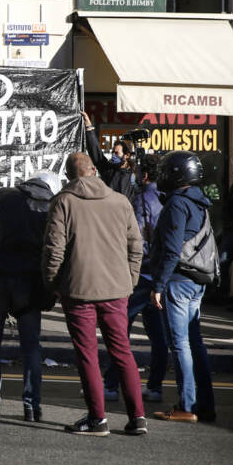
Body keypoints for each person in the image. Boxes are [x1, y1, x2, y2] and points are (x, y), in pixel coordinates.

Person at [42, 152, 147, 436]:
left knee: (87, 354)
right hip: (117, 289)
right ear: (94, 171)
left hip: (79, 290)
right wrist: (130, 280)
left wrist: (52, 283)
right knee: (122, 351)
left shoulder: (63, 201)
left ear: (69, 175)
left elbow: (54, 249)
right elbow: (135, 247)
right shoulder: (120, 201)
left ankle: (98, 419)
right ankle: (138, 417)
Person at [0, 171, 61, 423]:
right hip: (30, 282)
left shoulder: (2, 197)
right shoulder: (53, 205)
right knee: (31, 346)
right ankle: (32, 405)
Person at [151, 151, 217, 424]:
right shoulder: (198, 202)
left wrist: (158, 285)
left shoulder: (177, 203)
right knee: (194, 342)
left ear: (175, 175)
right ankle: (205, 405)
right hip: (196, 279)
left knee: (180, 344)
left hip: (178, 281)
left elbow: (172, 250)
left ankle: (187, 405)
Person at [102, 153, 169, 404]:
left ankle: (110, 385)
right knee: (159, 337)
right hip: (160, 275)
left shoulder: (142, 200)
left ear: (145, 175)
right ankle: (155, 387)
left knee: (120, 332)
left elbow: (136, 240)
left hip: (141, 275)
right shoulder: (167, 198)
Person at [82, 112, 137, 200]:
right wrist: (89, 128)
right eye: (113, 152)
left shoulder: (135, 173)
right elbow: (96, 152)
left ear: (127, 155)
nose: (114, 155)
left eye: (117, 153)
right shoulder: (108, 170)